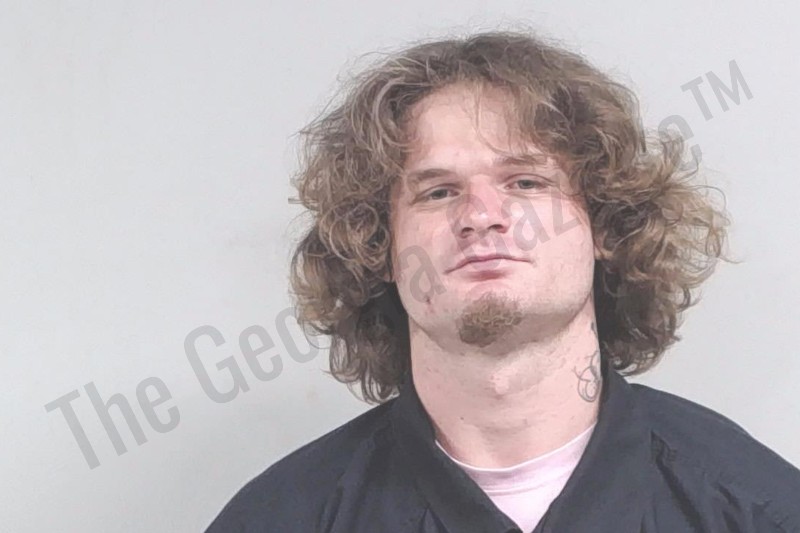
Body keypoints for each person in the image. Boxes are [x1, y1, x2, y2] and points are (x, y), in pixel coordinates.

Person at [206, 29, 800, 532]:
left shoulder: (757, 509)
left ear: (604, 224)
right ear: (379, 248)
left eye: (526, 182)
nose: (482, 215)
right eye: (439, 192)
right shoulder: (280, 518)